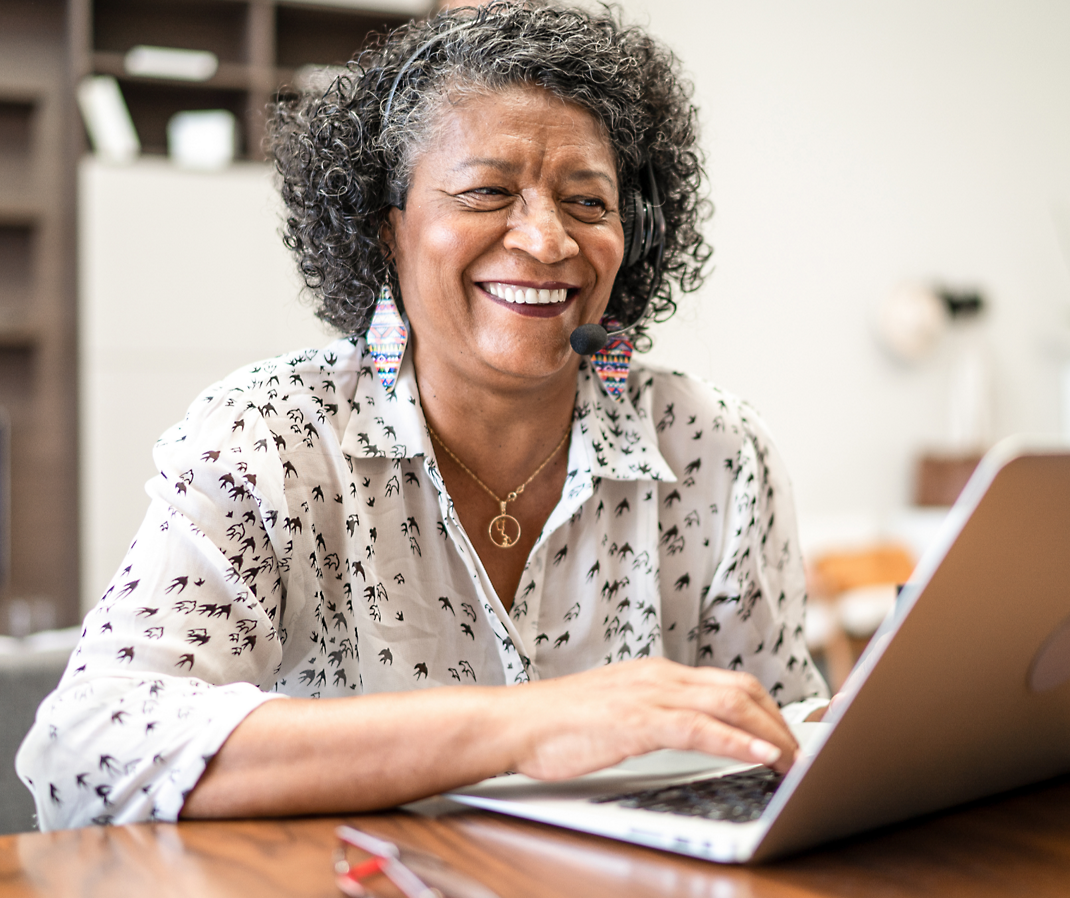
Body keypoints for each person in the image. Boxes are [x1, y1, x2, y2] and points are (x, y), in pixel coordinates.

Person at [17, 2, 827, 830]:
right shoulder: (268, 437)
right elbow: (84, 755)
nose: (548, 240)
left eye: (588, 202)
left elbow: (783, 744)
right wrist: (525, 725)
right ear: (385, 230)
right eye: (487, 190)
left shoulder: (714, 449)